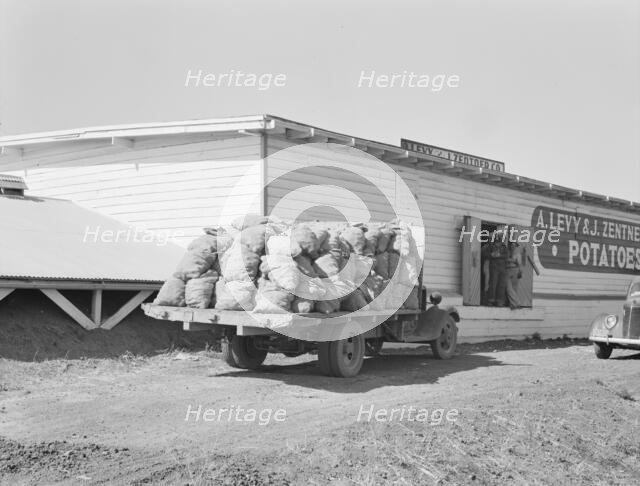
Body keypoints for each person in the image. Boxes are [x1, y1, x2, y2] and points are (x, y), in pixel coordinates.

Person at [487, 231, 508, 306]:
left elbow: (506, 256)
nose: (502, 238)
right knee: (493, 283)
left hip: (502, 267)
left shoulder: (504, 246)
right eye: (501, 237)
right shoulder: (491, 245)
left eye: (502, 237)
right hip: (494, 267)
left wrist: (499, 255)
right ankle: (491, 300)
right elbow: (487, 255)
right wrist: (491, 255)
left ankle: (499, 301)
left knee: (501, 284)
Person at [506, 241, 524, 310]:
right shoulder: (507, 253)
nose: (513, 246)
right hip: (507, 269)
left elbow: (519, 263)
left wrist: (520, 271)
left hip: (514, 270)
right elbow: (505, 260)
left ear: (516, 246)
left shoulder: (517, 254)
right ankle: (516, 303)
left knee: (514, 288)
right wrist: (512, 260)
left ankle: (513, 304)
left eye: (514, 245)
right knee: (508, 288)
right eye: (511, 245)